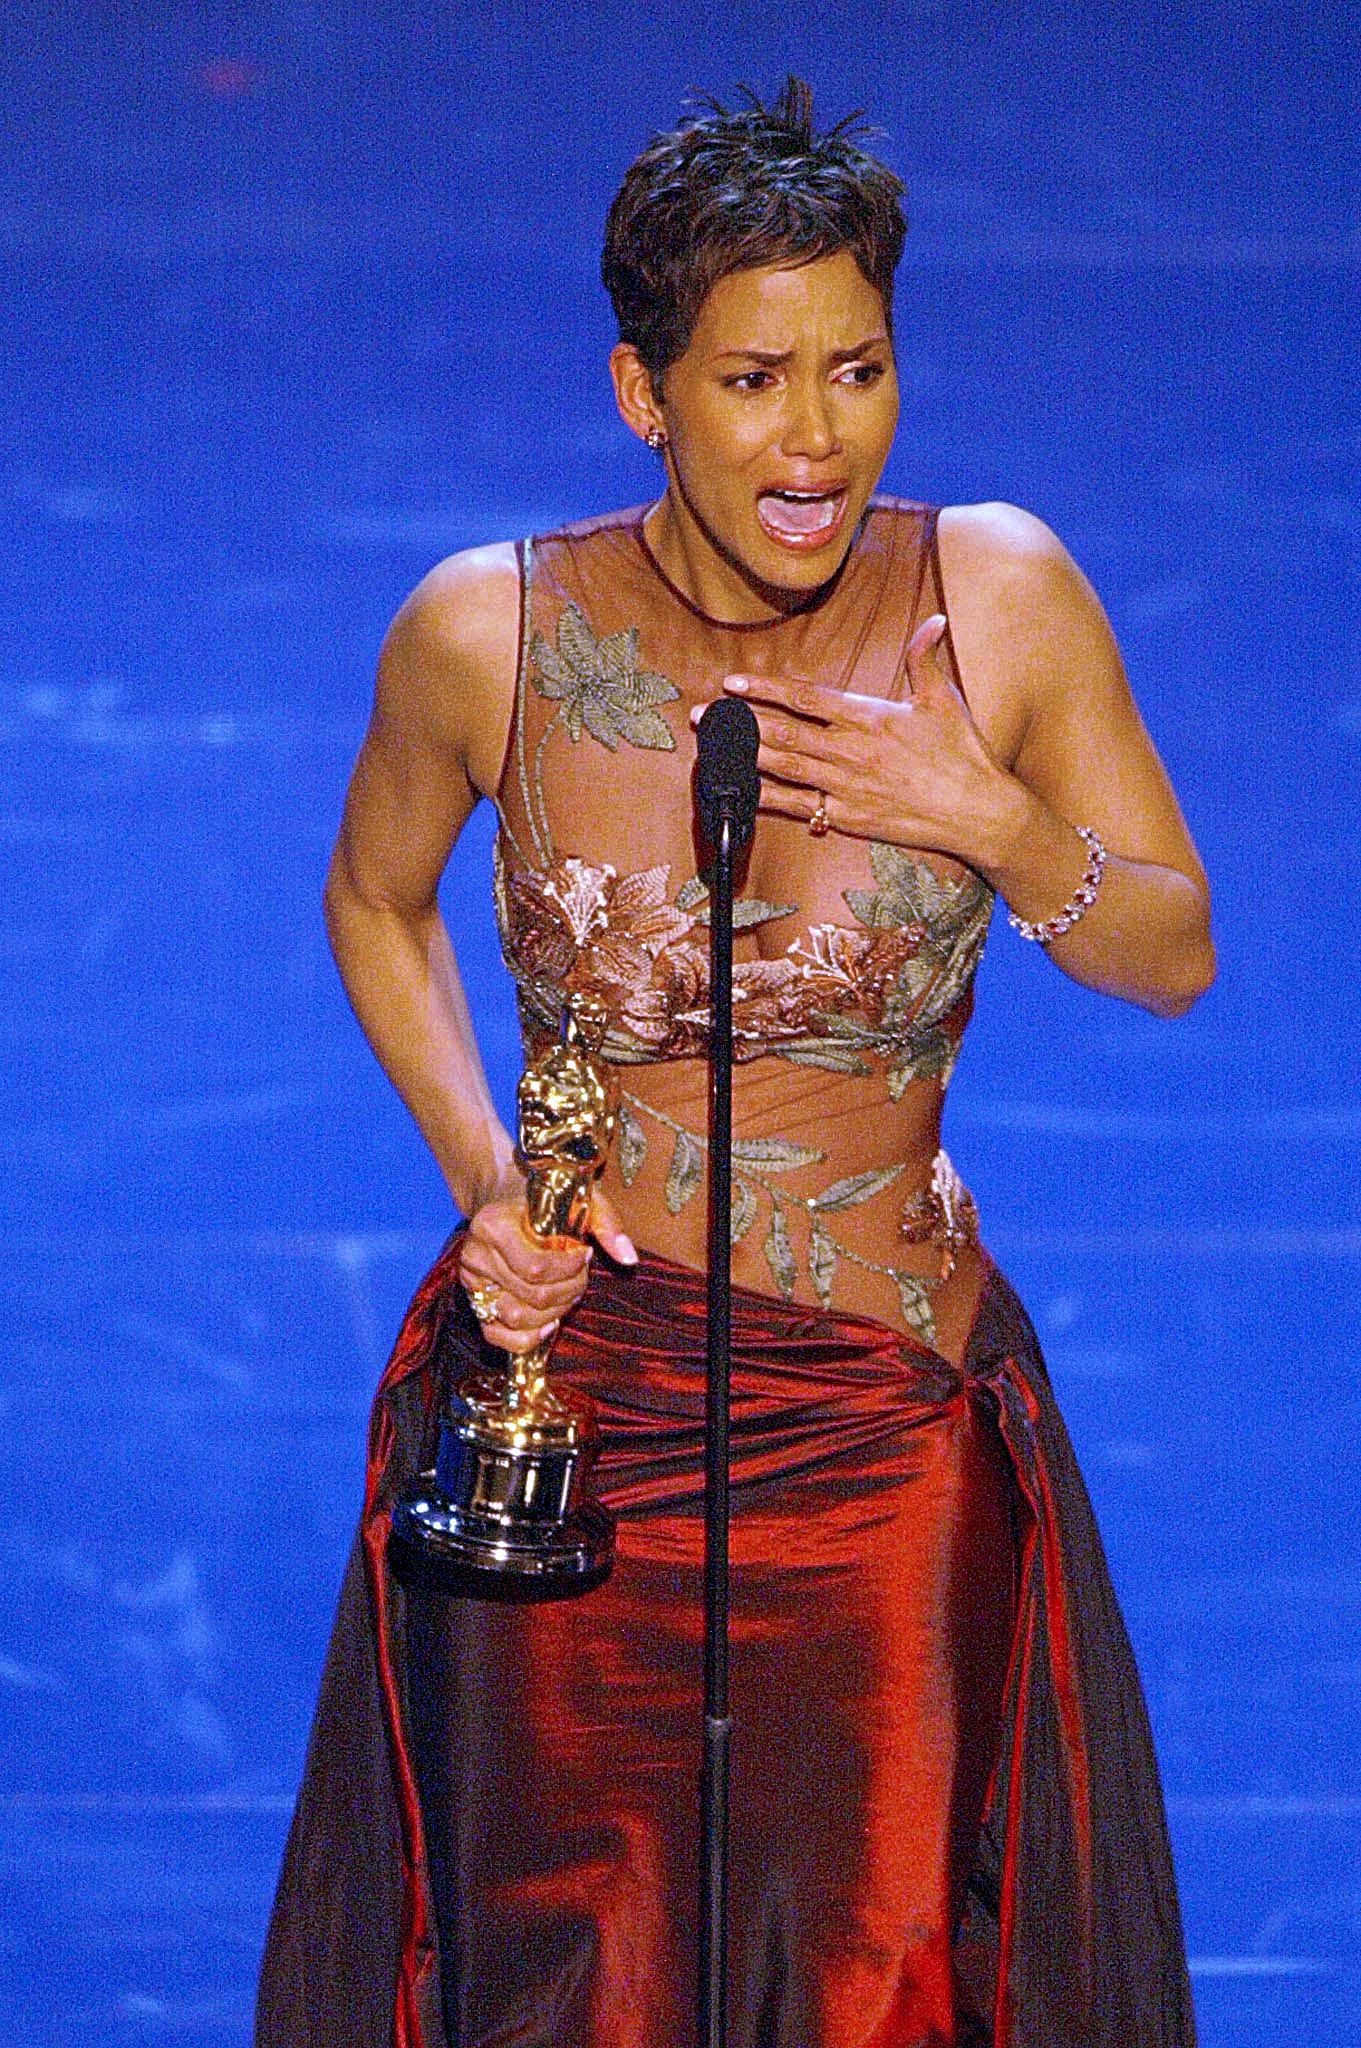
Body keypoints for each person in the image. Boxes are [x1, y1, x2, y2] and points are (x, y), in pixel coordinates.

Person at [256, 79, 1213, 2048]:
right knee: (561, 1968)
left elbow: (1172, 950)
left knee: (867, 1964)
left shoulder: (996, 603)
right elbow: (376, 902)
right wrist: (484, 1170)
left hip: (875, 1437)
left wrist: (999, 819)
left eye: (856, 369)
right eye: (755, 377)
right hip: (569, 1418)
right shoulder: (485, 633)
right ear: (643, 392)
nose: (815, 438)